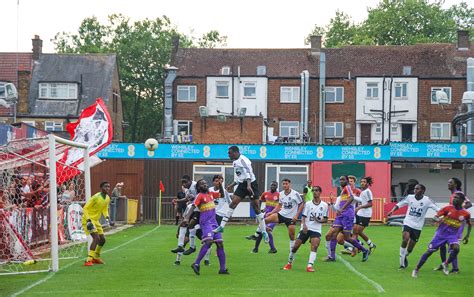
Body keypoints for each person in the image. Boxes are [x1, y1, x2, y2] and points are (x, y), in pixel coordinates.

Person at [213, 146, 268, 243]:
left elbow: (248, 174)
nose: (228, 155)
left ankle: (264, 231)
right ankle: (221, 226)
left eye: (229, 153)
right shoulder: (234, 162)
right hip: (243, 185)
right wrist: (232, 185)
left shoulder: (244, 160)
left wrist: (249, 185)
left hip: (251, 184)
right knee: (233, 203)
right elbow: (240, 176)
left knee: (256, 208)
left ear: (235, 152)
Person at [412, 192, 471, 278]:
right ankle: (416, 269)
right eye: (454, 197)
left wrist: (467, 235)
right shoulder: (447, 208)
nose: (454, 199)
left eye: (457, 198)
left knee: (456, 249)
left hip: (452, 235)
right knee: (429, 252)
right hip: (441, 234)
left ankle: (445, 264)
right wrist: (436, 219)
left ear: (462, 201)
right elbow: (436, 216)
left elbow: (469, 224)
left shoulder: (465, 213)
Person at [387, 184, 440, 269]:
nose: (415, 190)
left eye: (417, 189)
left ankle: (405, 256)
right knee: (405, 239)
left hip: (418, 226)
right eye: (415, 188)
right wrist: (391, 211)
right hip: (408, 222)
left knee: (410, 249)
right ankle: (402, 264)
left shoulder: (427, 200)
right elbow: (399, 204)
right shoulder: (409, 197)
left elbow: (438, 209)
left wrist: (438, 216)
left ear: (422, 191)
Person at [187, 179, 228, 275]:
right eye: (202, 184)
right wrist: (186, 218)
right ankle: (196, 264)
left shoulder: (210, 194)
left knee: (220, 244)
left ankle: (222, 269)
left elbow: (221, 195)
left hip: (214, 222)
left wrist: (221, 185)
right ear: (198, 187)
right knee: (209, 242)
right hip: (205, 222)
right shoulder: (199, 196)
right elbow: (193, 206)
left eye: (205, 183)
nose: (205, 185)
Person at [283, 185, 328, 272]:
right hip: (306, 228)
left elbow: (325, 219)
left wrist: (319, 220)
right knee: (296, 246)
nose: (315, 192)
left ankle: (309, 266)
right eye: (313, 190)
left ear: (320, 192)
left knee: (315, 245)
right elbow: (303, 217)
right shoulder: (308, 204)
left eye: (317, 190)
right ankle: (289, 263)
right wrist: (304, 226)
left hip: (316, 229)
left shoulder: (325, 205)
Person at [325, 176, 370, 262]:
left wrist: (342, 209)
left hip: (347, 216)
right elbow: (338, 206)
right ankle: (332, 257)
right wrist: (334, 206)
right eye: (340, 179)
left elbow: (352, 198)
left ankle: (364, 250)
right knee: (333, 234)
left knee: (347, 237)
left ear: (347, 181)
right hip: (340, 216)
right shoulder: (342, 192)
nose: (341, 181)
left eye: (343, 179)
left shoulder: (347, 187)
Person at [434, 177, 472, 273]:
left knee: (451, 245)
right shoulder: (453, 195)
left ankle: (455, 268)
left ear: (456, 184)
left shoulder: (458, 194)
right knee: (442, 245)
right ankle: (444, 264)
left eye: (450, 182)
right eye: (448, 182)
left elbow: (469, 204)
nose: (448, 184)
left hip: (456, 225)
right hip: (448, 223)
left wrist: (460, 211)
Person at [264, 178, 304, 258]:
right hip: (281, 215)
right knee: (264, 220)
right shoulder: (281, 194)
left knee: (292, 236)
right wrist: (272, 212)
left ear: (289, 184)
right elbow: (279, 205)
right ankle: (263, 232)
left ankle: (291, 254)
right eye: (283, 184)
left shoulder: (295, 194)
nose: (285, 185)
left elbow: (301, 204)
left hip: (291, 218)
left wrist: (296, 215)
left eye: (286, 184)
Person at [82, 181, 113, 266]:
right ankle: (88, 260)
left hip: (96, 220)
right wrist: (88, 220)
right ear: (101, 187)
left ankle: (96, 257)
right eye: (105, 186)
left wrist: (107, 217)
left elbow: (105, 209)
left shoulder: (107, 198)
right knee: (96, 238)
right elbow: (85, 208)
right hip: (88, 219)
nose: (107, 188)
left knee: (102, 239)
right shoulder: (95, 197)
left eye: (109, 187)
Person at [246, 181, 279, 253]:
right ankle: (256, 249)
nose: (273, 186)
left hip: (274, 216)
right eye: (272, 185)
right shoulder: (266, 193)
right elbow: (260, 200)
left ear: (277, 187)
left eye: (274, 185)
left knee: (267, 230)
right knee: (262, 231)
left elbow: (281, 205)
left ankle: (272, 248)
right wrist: (259, 209)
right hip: (266, 215)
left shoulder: (279, 195)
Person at [350, 176, 376, 255]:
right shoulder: (362, 192)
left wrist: (360, 207)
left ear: (367, 183)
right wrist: (354, 198)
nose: (362, 183)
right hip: (359, 213)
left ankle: (357, 248)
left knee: (358, 232)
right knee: (355, 231)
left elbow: (370, 203)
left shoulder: (368, 191)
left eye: (364, 182)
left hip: (365, 214)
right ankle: (358, 247)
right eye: (361, 181)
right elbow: (362, 201)